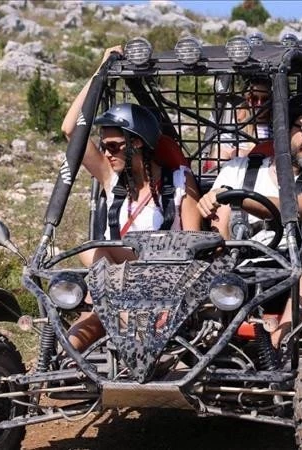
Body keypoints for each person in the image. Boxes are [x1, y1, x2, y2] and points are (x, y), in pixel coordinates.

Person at [60, 46, 202, 351]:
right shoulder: (113, 183)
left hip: (169, 286)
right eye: (105, 147)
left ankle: (142, 339)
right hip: (118, 292)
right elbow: (71, 131)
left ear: (137, 143)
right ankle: (63, 373)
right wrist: (101, 71)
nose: (107, 153)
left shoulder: (178, 183)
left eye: (114, 146)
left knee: (98, 255)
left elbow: (193, 246)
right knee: (92, 254)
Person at [196, 93, 302, 348]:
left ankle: (282, 337)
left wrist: (233, 197)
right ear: (284, 129)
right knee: (218, 221)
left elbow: (291, 207)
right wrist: (208, 202)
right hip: (236, 266)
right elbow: (215, 215)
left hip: (293, 271)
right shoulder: (238, 169)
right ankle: (208, 326)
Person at [204, 75, 274, 172]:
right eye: (254, 98)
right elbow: (221, 150)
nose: (259, 104)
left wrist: (244, 153)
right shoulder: (237, 122)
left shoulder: (275, 126)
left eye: (265, 100)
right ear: (248, 99)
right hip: (237, 171)